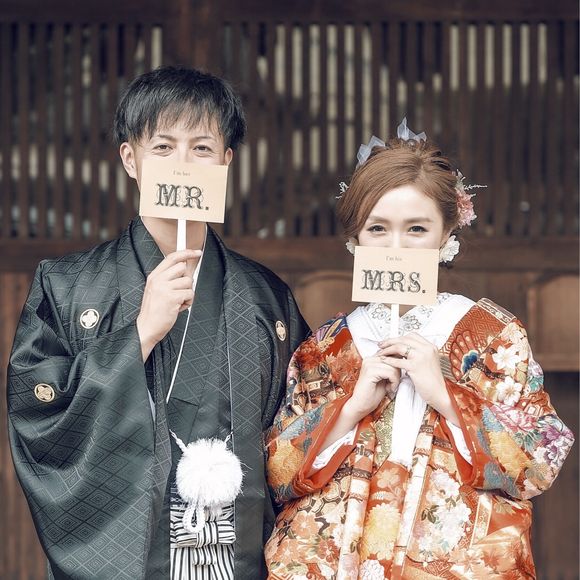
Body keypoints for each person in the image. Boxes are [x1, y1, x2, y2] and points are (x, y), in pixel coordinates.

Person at [7, 66, 309, 580]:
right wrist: (139, 334)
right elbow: (38, 412)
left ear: (226, 161)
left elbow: (298, 427)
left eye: (202, 148)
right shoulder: (66, 286)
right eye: (164, 147)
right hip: (129, 553)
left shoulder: (266, 297)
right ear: (131, 159)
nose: (183, 164)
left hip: (235, 552)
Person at [264, 122, 574, 579]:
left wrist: (446, 395)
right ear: (354, 239)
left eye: (416, 228)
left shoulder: (491, 336)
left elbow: (540, 459)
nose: (396, 246)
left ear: (446, 233)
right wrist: (350, 409)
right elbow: (276, 472)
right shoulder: (326, 348)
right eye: (377, 228)